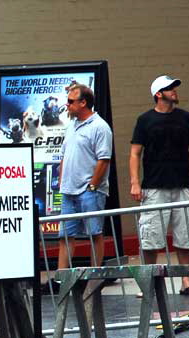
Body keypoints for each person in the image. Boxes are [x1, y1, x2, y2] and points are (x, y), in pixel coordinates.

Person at [129, 75, 189, 295]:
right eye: (169, 88)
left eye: (174, 87)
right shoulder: (145, 120)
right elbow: (135, 153)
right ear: (158, 94)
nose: (174, 90)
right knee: (151, 238)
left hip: (183, 185)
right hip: (154, 187)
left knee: (186, 237)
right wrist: (135, 183)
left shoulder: (186, 118)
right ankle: (149, 284)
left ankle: (186, 281)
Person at [56, 83, 113, 272]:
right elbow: (65, 154)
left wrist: (92, 186)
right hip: (68, 190)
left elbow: (103, 159)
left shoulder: (100, 127)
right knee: (65, 235)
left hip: (89, 190)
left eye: (71, 102)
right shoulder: (71, 126)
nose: (67, 105)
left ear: (83, 103)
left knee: (94, 234)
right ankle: (61, 278)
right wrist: (62, 179)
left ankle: (95, 276)